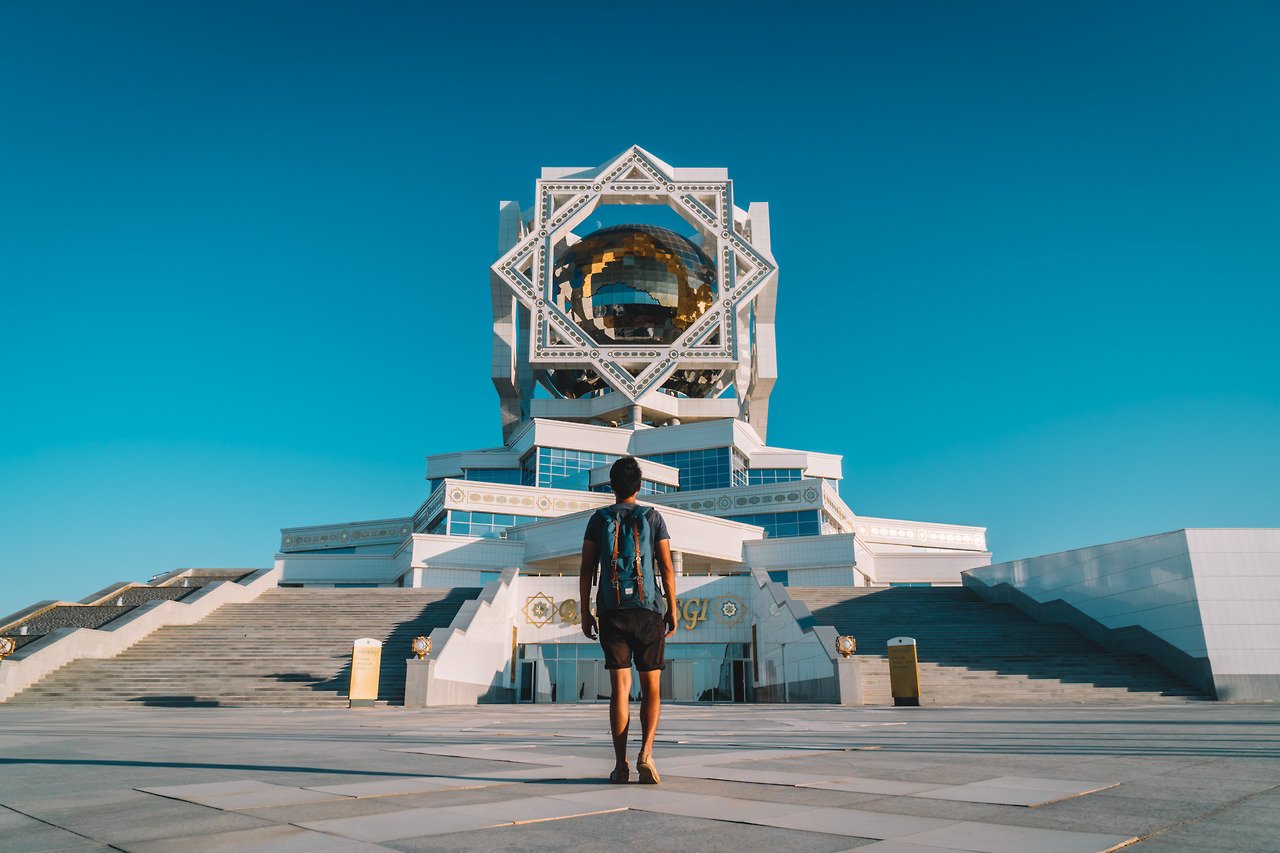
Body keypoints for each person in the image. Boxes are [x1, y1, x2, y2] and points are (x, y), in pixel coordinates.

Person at [580, 456, 677, 784]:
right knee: (652, 687)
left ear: (612, 486)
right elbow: (665, 566)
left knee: (620, 688)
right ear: (639, 486)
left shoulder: (598, 519)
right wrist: (672, 608)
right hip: (648, 610)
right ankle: (646, 753)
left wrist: (585, 611)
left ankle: (620, 765)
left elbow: (587, 568)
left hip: (611, 612)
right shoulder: (652, 517)